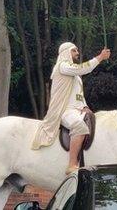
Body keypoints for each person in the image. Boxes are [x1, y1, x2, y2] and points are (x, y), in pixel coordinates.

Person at [31, 42, 111, 174]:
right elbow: (83, 68)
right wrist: (100, 57)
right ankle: (72, 164)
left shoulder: (74, 75)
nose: (77, 53)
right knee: (79, 126)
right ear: (66, 52)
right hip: (64, 110)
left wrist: (84, 106)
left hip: (78, 109)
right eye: (74, 51)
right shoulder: (62, 67)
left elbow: (78, 94)